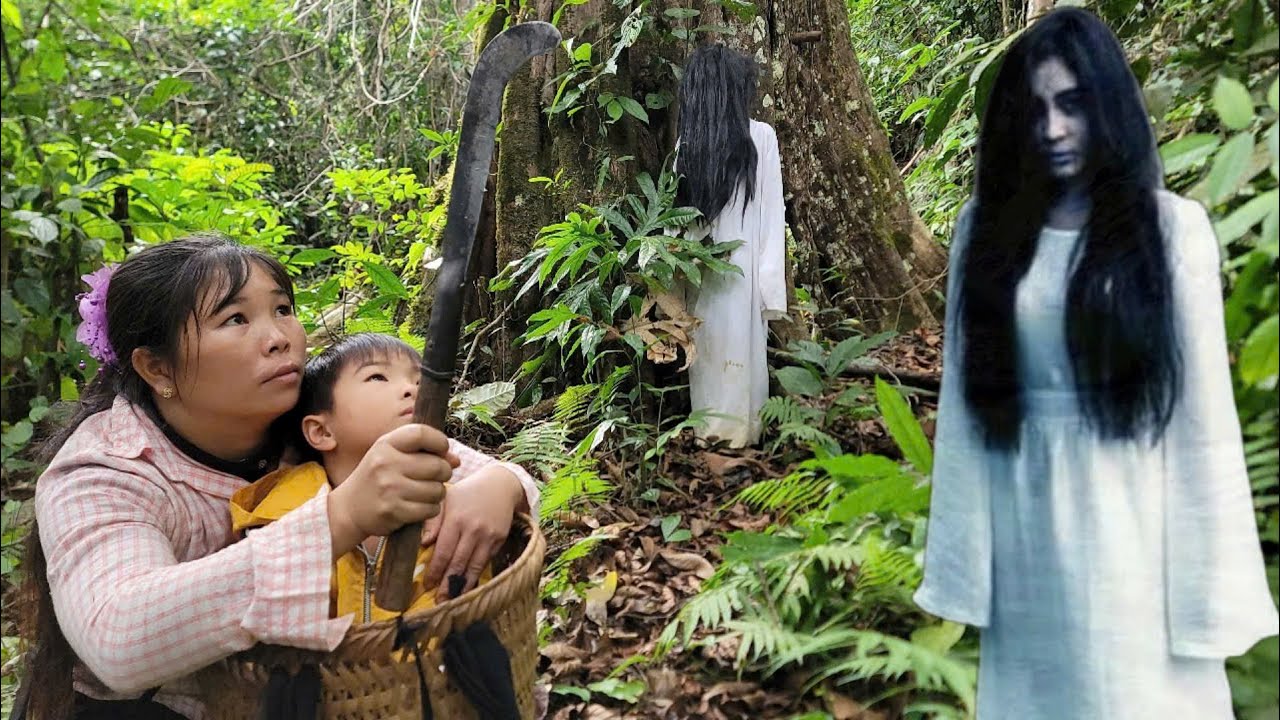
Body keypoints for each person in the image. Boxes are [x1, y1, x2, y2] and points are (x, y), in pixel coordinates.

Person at [913, 8, 1278, 718]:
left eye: (1073, 104)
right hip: (1024, 517)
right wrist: (964, 566)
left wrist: (1211, 593)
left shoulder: (1172, 232)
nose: (1051, 129)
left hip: (1137, 521)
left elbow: (1203, 424)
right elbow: (964, 410)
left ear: (1107, 105)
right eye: (1037, 108)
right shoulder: (982, 233)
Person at [20, 235, 538, 719]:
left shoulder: (305, 420)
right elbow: (120, 639)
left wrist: (502, 485)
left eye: (283, 310)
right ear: (158, 369)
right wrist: (341, 517)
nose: (279, 339)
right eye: (235, 319)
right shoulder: (104, 471)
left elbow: (462, 469)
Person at [229, 333, 496, 623]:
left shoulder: (449, 503)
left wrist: (501, 484)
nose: (412, 390)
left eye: (420, 381)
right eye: (378, 377)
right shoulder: (286, 511)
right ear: (322, 432)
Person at [675, 44, 788, 448]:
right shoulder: (761, 136)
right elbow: (773, 217)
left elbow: (678, 228)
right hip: (745, 274)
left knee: (706, 364)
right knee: (742, 362)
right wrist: (772, 289)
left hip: (701, 277)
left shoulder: (686, 145)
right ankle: (742, 441)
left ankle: (710, 439)